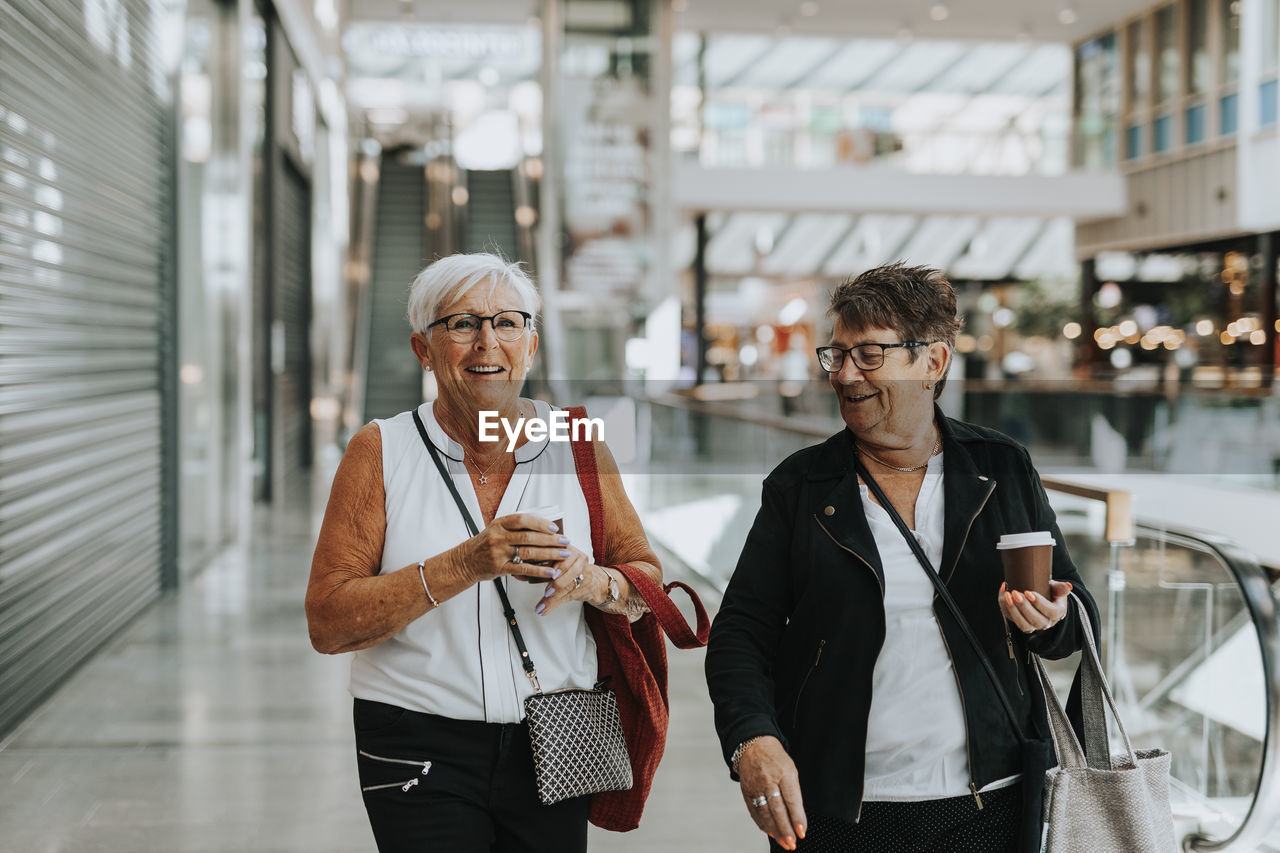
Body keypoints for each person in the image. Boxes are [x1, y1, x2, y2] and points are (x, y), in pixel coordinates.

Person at [705, 262, 1100, 853]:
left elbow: (1074, 614)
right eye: (836, 356)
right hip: (837, 807)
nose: (844, 375)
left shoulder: (1002, 468)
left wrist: (1050, 620)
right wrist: (751, 739)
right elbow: (740, 632)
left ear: (933, 362)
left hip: (991, 802)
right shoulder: (802, 486)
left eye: (868, 355)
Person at [305, 253, 661, 853]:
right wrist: (466, 563)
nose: (486, 342)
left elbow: (644, 576)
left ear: (531, 345)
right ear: (424, 349)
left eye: (507, 323)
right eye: (463, 323)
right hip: (415, 739)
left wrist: (595, 582)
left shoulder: (576, 443)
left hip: (558, 734)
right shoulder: (380, 450)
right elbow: (329, 621)